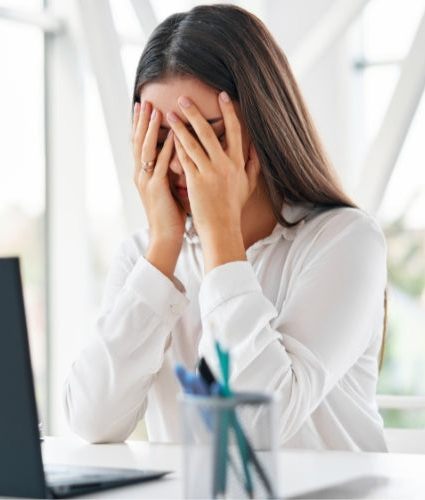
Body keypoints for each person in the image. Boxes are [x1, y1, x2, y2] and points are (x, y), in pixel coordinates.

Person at [63, 4, 388, 452]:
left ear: (261, 126)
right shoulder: (145, 255)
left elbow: (250, 430)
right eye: (159, 140)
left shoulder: (346, 242)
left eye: (202, 136)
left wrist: (220, 237)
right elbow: (93, 420)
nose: (177, 164)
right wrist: (162, 249)